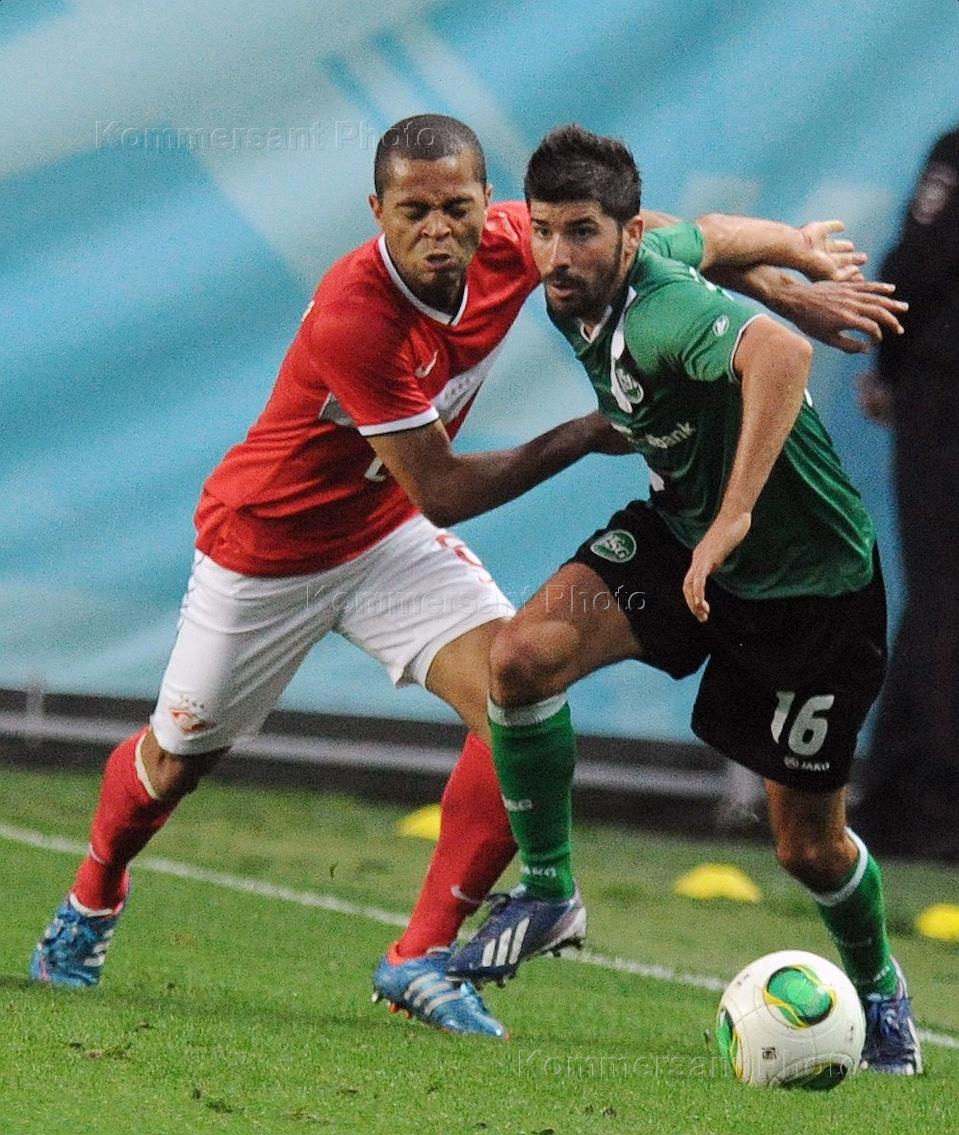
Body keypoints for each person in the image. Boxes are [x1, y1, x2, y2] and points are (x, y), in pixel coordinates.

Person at [30, 113, 905, 1041]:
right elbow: (443, 490)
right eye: (413, 211)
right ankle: (92, 898)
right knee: (176, 760)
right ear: (377, 212)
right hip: (270, 550)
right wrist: (585, 433)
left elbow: (668, 239)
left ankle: (426, 953)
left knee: (512, 684)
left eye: (457, 207)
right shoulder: (355, 315)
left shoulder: (529, 242)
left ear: (489, 206)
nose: (438, 229)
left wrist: (787, 276)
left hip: (387, 542)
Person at [447, 125, 922, 1076]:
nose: (555, 256)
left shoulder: (661, 311)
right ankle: (549, 890)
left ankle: (880, 994)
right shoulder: (609, 265)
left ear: (622, 238)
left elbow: (778, 357)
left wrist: (736, 512)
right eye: (544, 230)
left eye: (581, 233)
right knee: (521, 657)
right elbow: (704, 229)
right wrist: (793, 257)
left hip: (807, 588)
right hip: (680, 541)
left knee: (807, 849)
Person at [856, 124, 959, 862]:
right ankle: (908, 797)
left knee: (942, 600)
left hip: (942, 393)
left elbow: (916, 262)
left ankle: (913, 799)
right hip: (942, 392)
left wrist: (890, 370)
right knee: (943, 603)